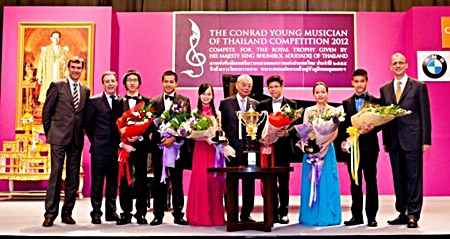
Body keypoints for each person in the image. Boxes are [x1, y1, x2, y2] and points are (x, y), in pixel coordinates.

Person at [380, 53, 431, 228]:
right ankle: (402, 211)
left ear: (407, 65)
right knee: (398, 178)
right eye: (395, 63)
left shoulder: (418, 86)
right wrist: (385, 140)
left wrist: (426, 140)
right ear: (390, 67)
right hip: (394, 142)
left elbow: (425, 114)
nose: (398, 65)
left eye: (401, 62)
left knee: (414, 177)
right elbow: (384, 117)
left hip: (413, 139)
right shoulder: (384, 89)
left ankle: (413, 214)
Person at [41, 57, 91, 227]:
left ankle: (67, 213)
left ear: (82, 69)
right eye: (73, 67)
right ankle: (50, 214)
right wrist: (51, 133)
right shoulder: (57, 86)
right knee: (55, 174)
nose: (76, 70)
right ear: (68, 68)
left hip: (76, 139)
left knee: (72, 178)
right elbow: (46, 113)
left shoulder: (85, 90)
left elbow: (83, 116)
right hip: (58, 138)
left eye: (79, 67)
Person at [339, 69, 381, 227]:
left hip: (370, 147)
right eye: (356, 81)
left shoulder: (375, 101)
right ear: (352, 82)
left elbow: (382, 123)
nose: (359, 84)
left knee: (371, 182)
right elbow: (343, 126)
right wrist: (344, 142)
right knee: (354, 182)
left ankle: (371, 217)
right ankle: (356, 216)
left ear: (367, 81)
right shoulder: (346, 103)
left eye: (362, 81)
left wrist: (373, 129)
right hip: (353, 148)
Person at [296, 82, 342, 226]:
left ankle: (328, 215)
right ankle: (311, 216)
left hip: (327, 151)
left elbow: (335, 132)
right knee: (311, 182)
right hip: (312, 152)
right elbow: (305, 130)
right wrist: (311, 144)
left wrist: (326, 144)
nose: (320, 94)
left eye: (323, 91)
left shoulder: (334, 111)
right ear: (314, 94)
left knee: (327, 181)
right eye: (317, 92)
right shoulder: (309, 111)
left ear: (327, 93)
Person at [149, 70, 191, 226]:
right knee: (159, 181)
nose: (168, 84)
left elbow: (187, 125)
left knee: (177, 181)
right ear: (162, 83)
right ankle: (158, 214)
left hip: (176, 149)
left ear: (176, 83)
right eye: (165, 81)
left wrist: (173, 138)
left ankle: (178, 214)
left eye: (171, 81)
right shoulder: (153, 102)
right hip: (159, 148)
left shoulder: (184, 101)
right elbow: (150, 127)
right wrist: (162, 139)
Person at [255, 75, 298, 224]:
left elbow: (296, 126)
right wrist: (262, 139)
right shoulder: (262, 105)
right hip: (267, 148)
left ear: (282, 86)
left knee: (283, 180)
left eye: (276, 86)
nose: (273, 89)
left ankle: (284, 212)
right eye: (270, 87)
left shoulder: (291, 104)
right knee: (270, 181)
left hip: (283, 148)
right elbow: (258, 125)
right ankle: (271, 211)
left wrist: (287, 132)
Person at [219, 74, 259, 222]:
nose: (246, 87)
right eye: (243, 84)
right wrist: (225, 145)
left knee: (249, 183)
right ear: (236, 85)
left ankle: (246, 214)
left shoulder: (256, 104)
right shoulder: (225, 103)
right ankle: (232, 213)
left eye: (249, 85)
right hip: (232, 149)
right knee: (231, 182)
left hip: (251, 149)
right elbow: (220, 127)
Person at [185, 83, 226, 226]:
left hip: (214, 151)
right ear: (199, 95)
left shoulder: (218, 113)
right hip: (201, 150)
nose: (206, 97)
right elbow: (191, 135)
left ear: (213, 96)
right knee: (201, 181)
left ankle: (215, 216)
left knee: (214, 182)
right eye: (204, 94)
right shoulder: (195, 112)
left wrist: (221, 139)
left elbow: (219, 131)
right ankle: (201, 216)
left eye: (209, 94)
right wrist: (206, 138)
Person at [84, 71, 121, 224]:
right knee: (97, 182)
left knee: (113, 182)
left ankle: (111, 212)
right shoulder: (94, 101)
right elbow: (88, 125)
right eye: (107, 81)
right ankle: (96, 212)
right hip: (99, 149)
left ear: (117, 83)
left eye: (113, 81)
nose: (110, 84)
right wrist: (97, 140)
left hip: (116, 149)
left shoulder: (121, 101)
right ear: (103, 84)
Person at [116, 70, 151, 225]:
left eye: (135, 80)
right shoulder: (118, 103)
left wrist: (139, 136)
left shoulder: (147, 102)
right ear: (124, 84)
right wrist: (124, 142)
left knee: (141, 180)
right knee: (124, 180)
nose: (132, 83)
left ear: (139, 83)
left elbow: (151, 126)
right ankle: (125, 213)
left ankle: (141, 213)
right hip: (124, 148)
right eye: (129, 80)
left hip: (141, 147)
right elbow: (114, 126)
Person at [36, 31, 69, 104]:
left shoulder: (64, 51)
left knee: (59, 97)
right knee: (48, 96)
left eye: (57, 38)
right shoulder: (45, 50)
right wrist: (39, 77)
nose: (56, 39)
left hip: (59, 75)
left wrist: (67, 75)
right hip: (48, 75)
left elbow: (66, 65)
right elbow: (40, 63)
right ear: (51, 38)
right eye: (54, 37)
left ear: (60, 39)